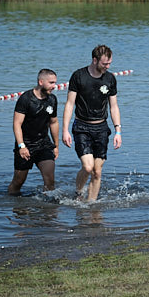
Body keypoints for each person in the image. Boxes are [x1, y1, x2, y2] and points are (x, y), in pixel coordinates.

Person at [62, 45, 122, 202]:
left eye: (109, 63)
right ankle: (78, 192)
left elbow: (114, 106)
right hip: (82, 126)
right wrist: (65, 130)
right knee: (88, 167)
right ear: (95, 60)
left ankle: (92, 205)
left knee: (97, 171)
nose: (108, 67)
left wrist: (118, 131)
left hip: (101, 128)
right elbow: (69, 104)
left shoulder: (110, 79)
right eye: (104, 64)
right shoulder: (78, 76)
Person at [8, 69, 59, 196]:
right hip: (26, 144)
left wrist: (56, 145)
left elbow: (53, 122)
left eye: (55, 82)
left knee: (50, 181)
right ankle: (12, 203)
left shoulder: (52, 99)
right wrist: (21, 146)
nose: (54, 86)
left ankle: (48, 207)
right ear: (41, 82)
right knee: (18, 182)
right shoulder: (26, 99)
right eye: (51, 83)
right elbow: (17, 124)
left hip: (44, 144)